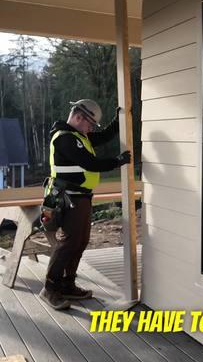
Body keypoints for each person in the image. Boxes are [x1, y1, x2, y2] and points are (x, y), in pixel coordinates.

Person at [39, 99, 131, 310]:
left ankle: (67, 284)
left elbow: (106, 136)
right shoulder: (65, 139)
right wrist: (117, 161)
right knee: (68, 243)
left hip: (80, 198)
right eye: (90, 124)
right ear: (79, 117)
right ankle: (50, 287)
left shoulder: (80, 136)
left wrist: (119, 120)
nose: (91, 129)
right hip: (68, 198)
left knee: (81, 241)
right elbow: (90, 163)